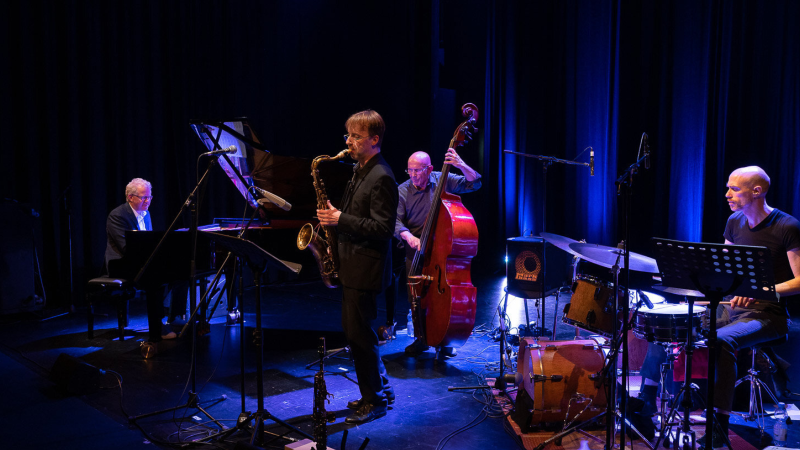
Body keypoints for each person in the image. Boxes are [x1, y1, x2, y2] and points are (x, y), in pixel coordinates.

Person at [316, 110, 398, 424]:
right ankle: (381, 390)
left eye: (357, 137)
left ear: (375, 140)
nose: (349, 142)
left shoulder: (382, 176)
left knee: (359, 336)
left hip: (366, 267)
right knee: (358, 334)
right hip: (353, 263)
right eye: (348, 136)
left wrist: (341, 219)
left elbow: (383, 228)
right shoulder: (361, 169)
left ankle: (375, 401)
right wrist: (335, 216)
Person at [396, 149, 481, 357]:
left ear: (430, 169)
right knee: (416, 296)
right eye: (410, 170)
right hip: (416, 249)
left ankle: (445, 338)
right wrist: (408, 236)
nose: (413, 175)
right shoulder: (402, 191)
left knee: (442, 296)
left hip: (443, 248)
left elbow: (475, 183)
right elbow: (394, 221)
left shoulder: (442, 179)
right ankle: (421, 338)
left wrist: (460, 164)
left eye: (417, 170)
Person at [104, 178, 186, 342]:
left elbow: (148, 242)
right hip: (120, 264)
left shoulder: (146, 214)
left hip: (140, 260)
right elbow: (126, 248)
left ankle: (174, 315)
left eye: (150, 197)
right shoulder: (117, 216)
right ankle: (157, 327)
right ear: (130, 197)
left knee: (182, 271)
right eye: (143, 197)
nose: (148, 201)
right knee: (155, 279)